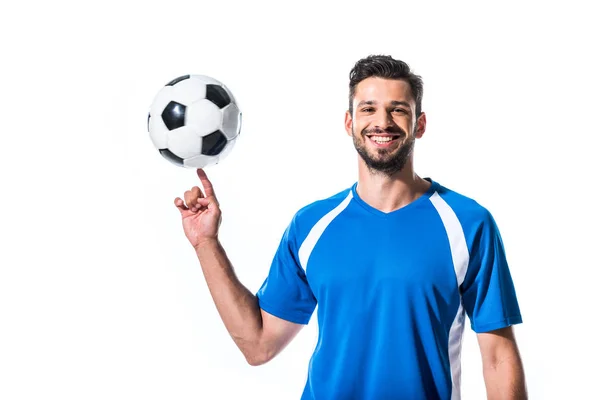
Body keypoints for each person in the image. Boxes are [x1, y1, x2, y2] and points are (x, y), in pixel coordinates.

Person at [174, 55, 527, 400]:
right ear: (349, 123)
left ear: (419, 124)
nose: (383, 121)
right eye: (368, 108)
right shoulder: (311, 225)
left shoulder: (467, 223)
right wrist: (206, 243)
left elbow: (497, 357)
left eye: (398, 109)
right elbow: (258, 345)